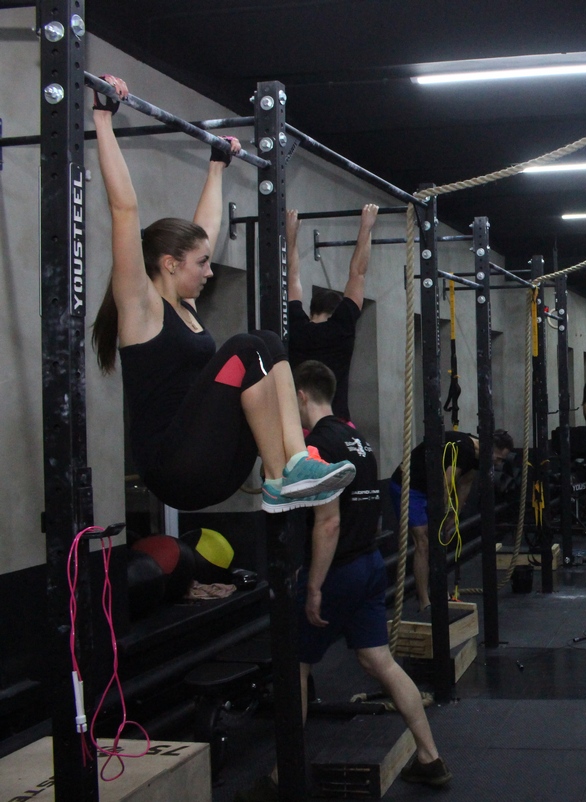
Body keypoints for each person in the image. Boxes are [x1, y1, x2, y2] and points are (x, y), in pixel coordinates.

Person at [89, 76, 354, 514]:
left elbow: (205, 230)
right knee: (249, 347)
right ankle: (281, 474)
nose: (210, 272)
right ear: (170, 264)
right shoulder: (140, 308)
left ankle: (292, 465)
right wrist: (103, 119)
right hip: (172, 465)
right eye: (202, 264)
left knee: (267, 340)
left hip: (215, 464)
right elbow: (124, 209)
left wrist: (217, 166)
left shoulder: (185, 307)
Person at [232, 361, 449, 798]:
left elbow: (328, 523)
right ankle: (430, 757)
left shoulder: (317, 446)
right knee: (380, 662)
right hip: (370, 565)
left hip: (338, 571)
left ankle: (281, 777)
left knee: (295, 666)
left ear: (300, 396)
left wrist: (314, 585)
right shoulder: (358, 440)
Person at [391, 430, 514, 610]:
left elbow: (466, 483)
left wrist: (454, 516)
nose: (499, 463)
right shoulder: (464, 449)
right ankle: (424, 601)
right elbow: (447, 484)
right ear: (489, 449)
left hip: (429, 489)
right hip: (409, 487)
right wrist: (442, 517)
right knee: (423, 542)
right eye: (499, 458)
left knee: (440, 539)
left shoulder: (479, 455)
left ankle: (437, 591)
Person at [285, 204, 378, 423]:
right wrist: (366, 227)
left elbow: (292, 276)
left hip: (300, 426)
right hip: (337, 422)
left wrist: (291, 236)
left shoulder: (296, 328)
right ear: (337, 311)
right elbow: (358, 273)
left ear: (312, 310)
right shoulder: (341, 328)